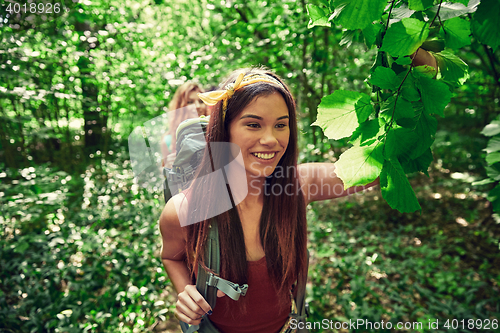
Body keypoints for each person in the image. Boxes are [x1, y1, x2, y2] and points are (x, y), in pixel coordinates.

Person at [159, 51, 437, 332]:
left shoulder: (298, 184)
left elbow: (380, 168)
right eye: (253, 124)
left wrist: (415, 70)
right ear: (224, 129)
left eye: (281, 125)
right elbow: (171, 256)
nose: (270, 139)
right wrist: (185, 291)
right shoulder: (185, 210)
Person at [161, 82, 208, 166]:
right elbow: (165, 174)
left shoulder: (216, 130)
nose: (197, 106)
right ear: (180, 106)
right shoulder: (168, 140)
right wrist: (168, 167)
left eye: (201, 101)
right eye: (190, 102)